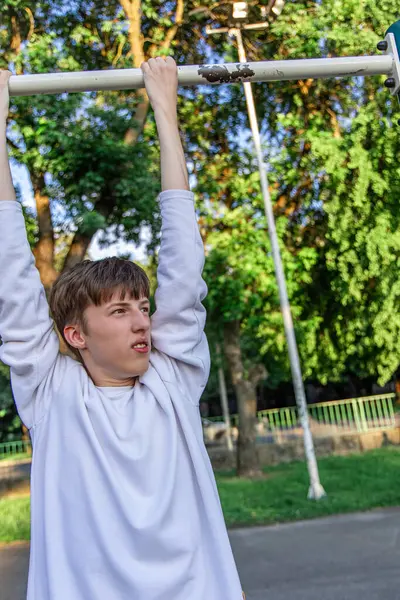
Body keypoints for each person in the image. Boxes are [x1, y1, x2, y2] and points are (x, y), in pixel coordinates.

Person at [0, 58, 246, 599]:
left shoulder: (172, 379)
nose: (142, 321)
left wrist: (164, 109)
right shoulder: (51, 393)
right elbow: (13, 277)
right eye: (119, 311)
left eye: (142, 305)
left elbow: (184, 267)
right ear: (75, 336)